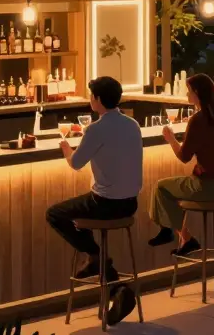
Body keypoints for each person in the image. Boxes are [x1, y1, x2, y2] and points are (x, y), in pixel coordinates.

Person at [46, 76, 142, 281]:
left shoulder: (96, 129)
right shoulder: (133, 124)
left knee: (54, 214)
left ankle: (96, 256)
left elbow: (75, 163)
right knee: (83, 208)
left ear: (97, 99)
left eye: (91, 95)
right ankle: (102, 269)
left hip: (105, 205)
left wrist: (66, 149)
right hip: (130, 204)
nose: (90, 99)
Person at [149, 73, 214, 258]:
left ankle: (179, 234)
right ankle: (181, 236)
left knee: (161, 187)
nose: (186, 94)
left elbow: (184, 156)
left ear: (197, 93)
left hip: (206, 186)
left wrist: (170, 138)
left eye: (189, 91)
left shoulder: (198, 120)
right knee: (169, 189)